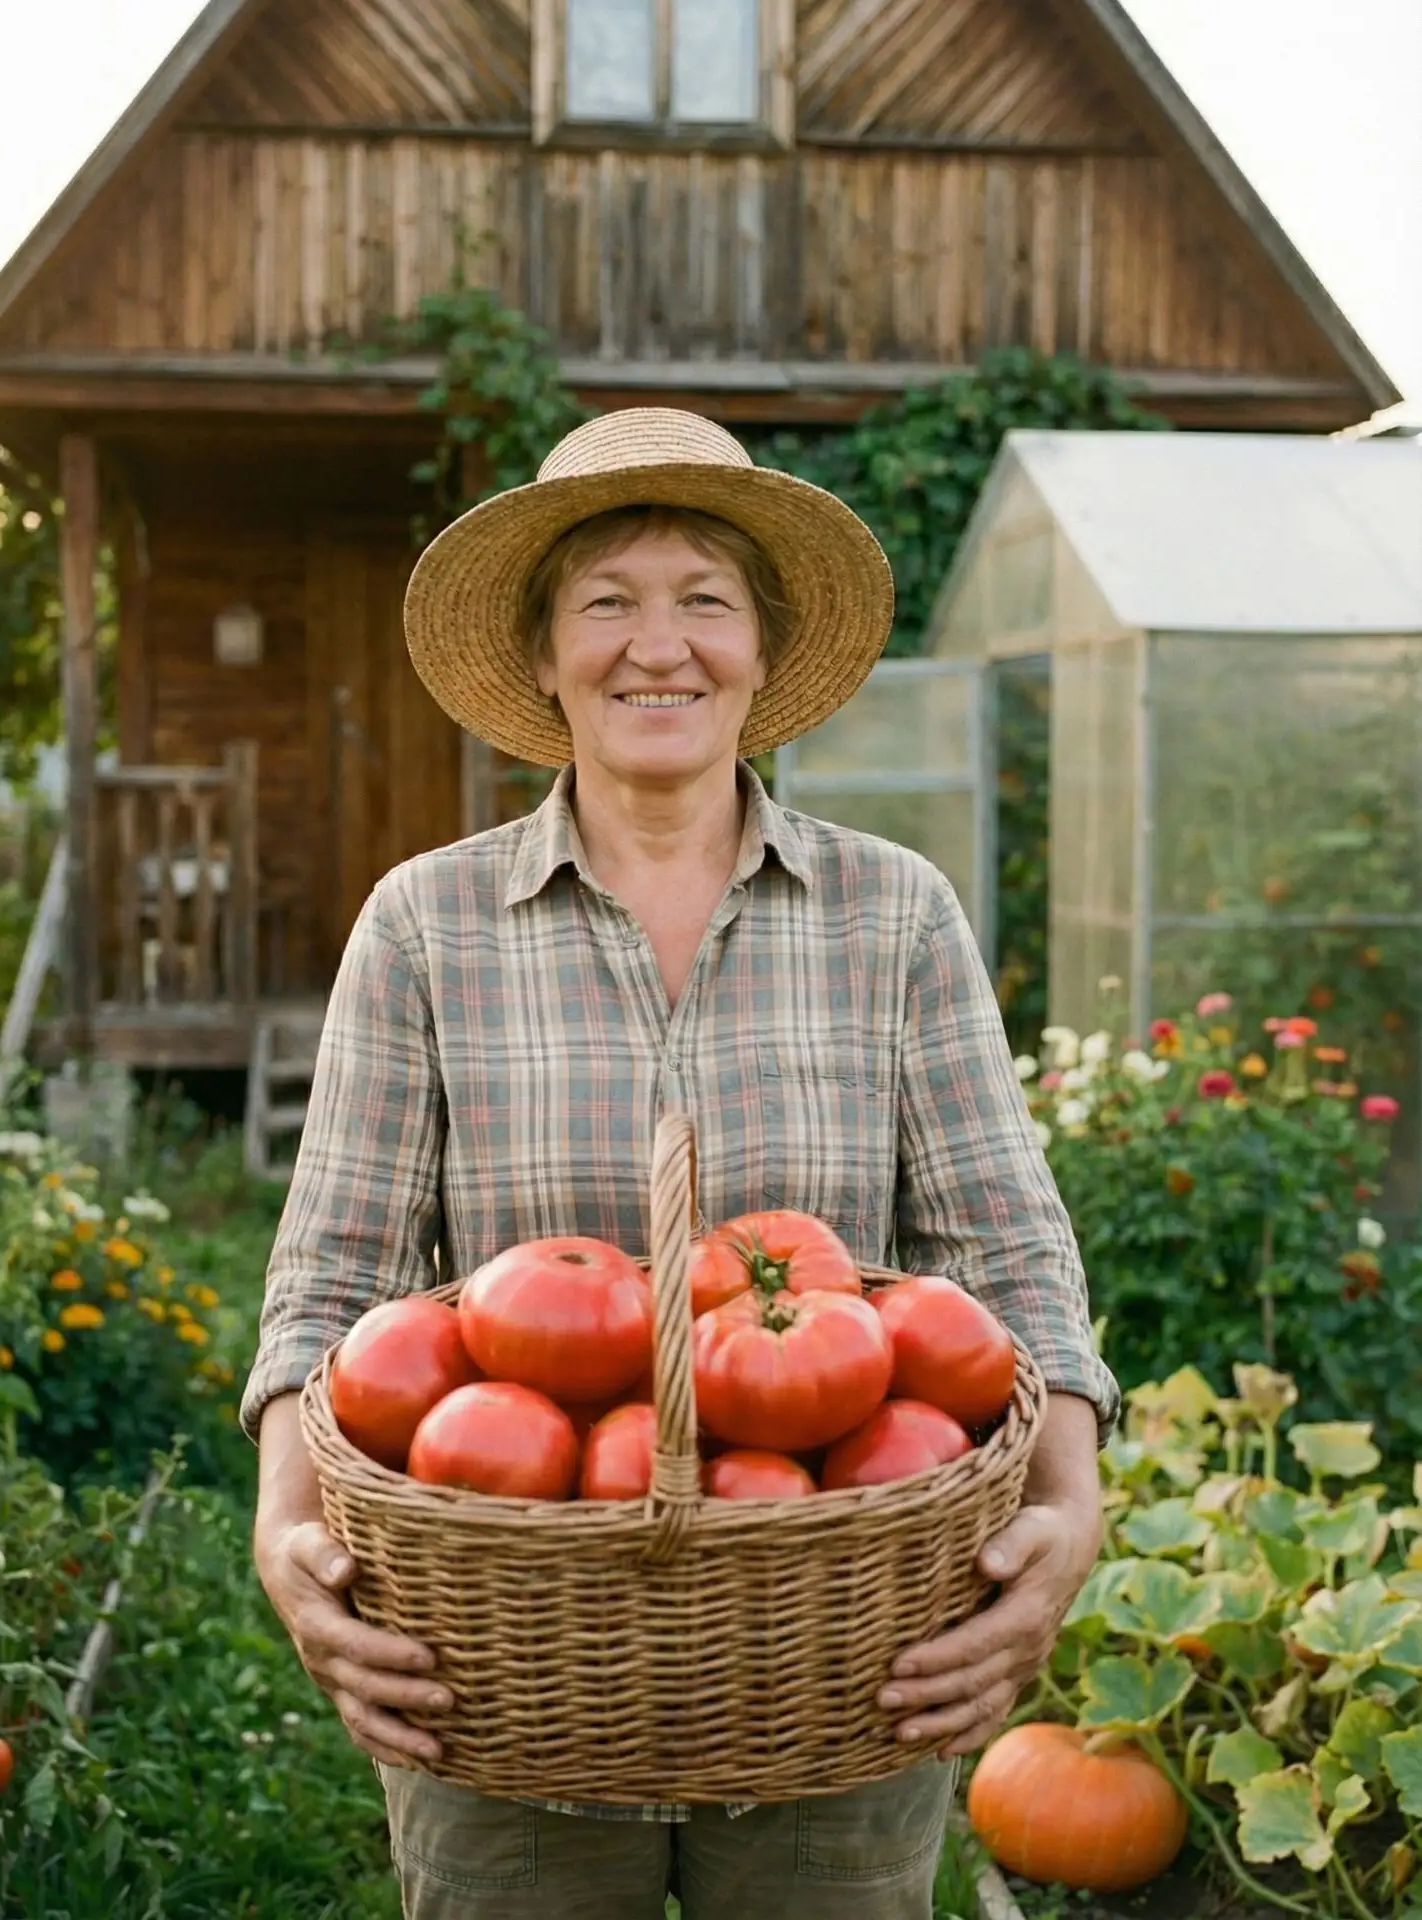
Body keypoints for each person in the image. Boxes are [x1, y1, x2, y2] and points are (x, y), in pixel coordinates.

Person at [242, 407, 1119, 1920]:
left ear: (764, 651)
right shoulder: (424, 924)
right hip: (507, 1652)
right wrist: (285, 1529)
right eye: (607, 601)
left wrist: (1068, 1508)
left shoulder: (890, 913)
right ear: (540, 656)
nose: (660, 647)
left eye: (704, 598)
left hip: (839, 1648)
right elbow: (330, 1280)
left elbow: (1006, 1252)